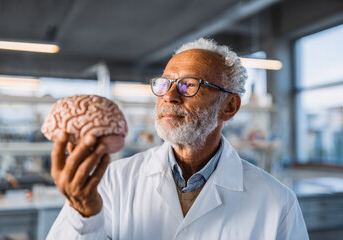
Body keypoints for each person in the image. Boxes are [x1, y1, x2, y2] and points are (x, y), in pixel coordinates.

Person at [47, 38, 309, 239]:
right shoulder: (114, 180)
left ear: (229, 106)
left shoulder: (277, 202)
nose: (170, 96)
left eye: (189, 85)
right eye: (164, 84)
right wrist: (85, 215)